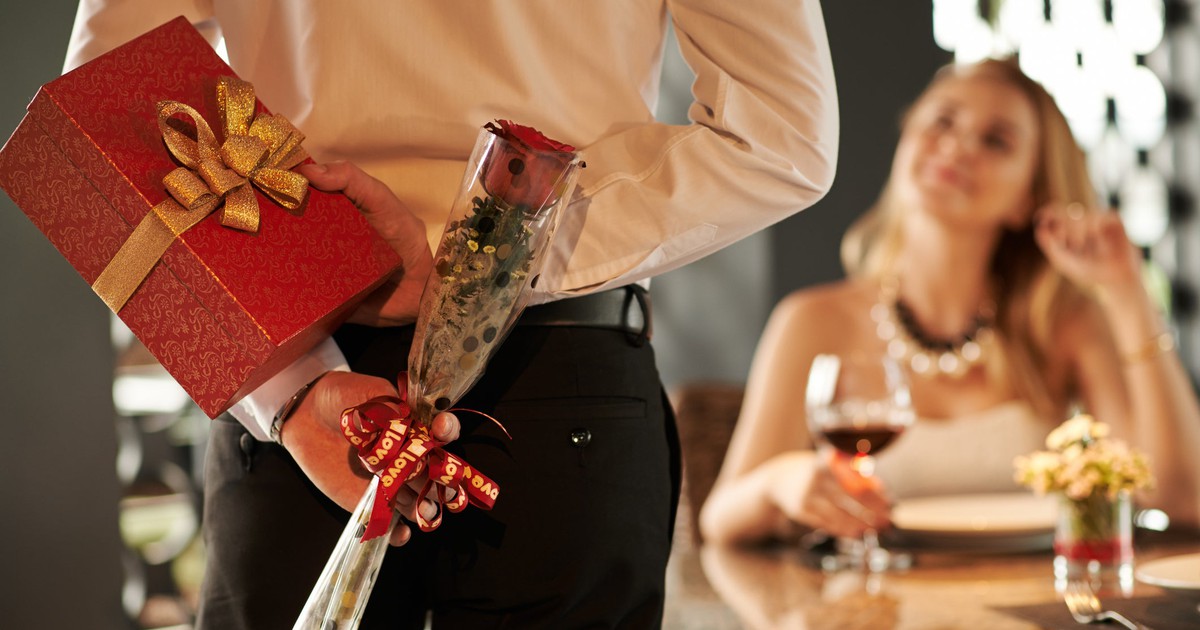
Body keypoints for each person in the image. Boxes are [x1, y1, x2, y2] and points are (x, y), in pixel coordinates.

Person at [65, 2, 839, 628]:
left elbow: (99, 117)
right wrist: (483, 259)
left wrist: (290, 391)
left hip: (304, 367)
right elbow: (782, 135)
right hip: (553, 392)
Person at [699, 57, 1200, 547]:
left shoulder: (1062, 322)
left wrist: (1127, 293)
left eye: (995, 141)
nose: (957, 147)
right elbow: (720, 520)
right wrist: (782, 481)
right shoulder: (811, 321)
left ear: (1028, 197)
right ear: (906, 142)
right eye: (942, 122)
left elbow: (1179, 499)